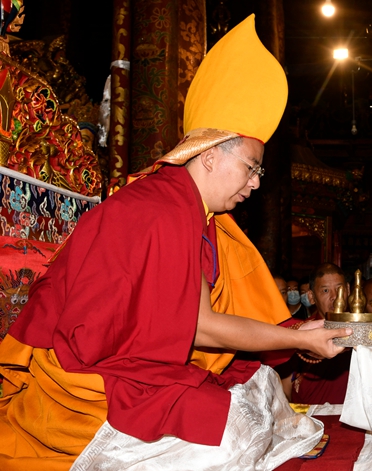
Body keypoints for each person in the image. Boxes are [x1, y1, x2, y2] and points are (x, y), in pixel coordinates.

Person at [0, 16, 349, 470]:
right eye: (252, 167)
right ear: (208, 156)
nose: (256, 184)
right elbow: (201, 326)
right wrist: (291, 335)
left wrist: (292, 333)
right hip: (86, 374)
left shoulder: (193, 212)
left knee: (257, 383)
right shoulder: (161, 209)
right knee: (228, 424)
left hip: (134, 361)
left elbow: (193, 318)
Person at [278, 263, 352, 404]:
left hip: (352, 419)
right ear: (311, 296)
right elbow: (285, 386)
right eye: (325, 291)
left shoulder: (362, 329)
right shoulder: (301, 332)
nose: (335, 297)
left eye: (340, 289)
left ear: (348, 290)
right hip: (309, 417)